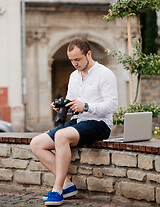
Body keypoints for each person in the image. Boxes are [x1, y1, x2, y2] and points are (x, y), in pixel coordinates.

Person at [30, 38, 118, 206]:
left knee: (61, 136)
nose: (74, 64)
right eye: (71, 60)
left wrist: (85, 106)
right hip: (79, 122)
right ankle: (68, 184)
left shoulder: (104, 73)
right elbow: (72, 105)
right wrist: (63, 108)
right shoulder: (73, 76)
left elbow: (112, 105)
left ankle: (57, 189)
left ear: (89, 54)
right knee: (36, 143)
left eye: (77, 59)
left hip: (99, 123)